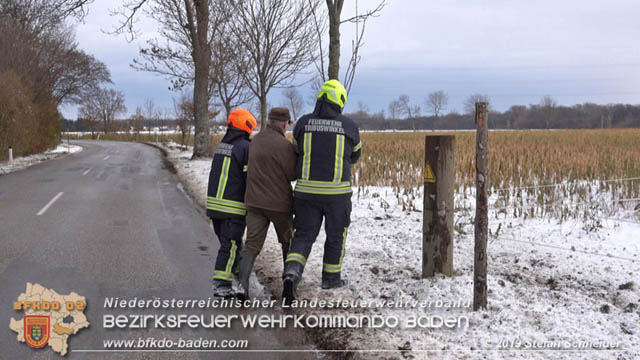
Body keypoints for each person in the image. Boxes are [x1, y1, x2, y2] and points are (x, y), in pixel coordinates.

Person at [282, 80, 362, 304]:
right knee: (336, 235)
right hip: (337, 195)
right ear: (340, 101)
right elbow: (356, 155)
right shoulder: (349, 126)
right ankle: (331, 278)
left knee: (304, 235)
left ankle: (292, 273)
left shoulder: (303, 123)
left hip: (306, 193)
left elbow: (297, 149)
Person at [237, 107, 297, 300]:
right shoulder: (284, 146)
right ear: (285, 124)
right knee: (288, 243)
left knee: (252, 245)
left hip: (254, 203)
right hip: (279, 205)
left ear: (269, 121)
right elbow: (293, 174)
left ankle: (242, 285)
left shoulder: (254, 142)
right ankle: (289, 284)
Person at [207, 108, 256, 298]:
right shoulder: (245, 147)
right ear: (246, 126)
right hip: (232, 207)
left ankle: (234, 274)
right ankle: (222, 284)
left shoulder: (222, 145)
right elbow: (248, 177)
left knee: (229, 243)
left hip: (215, 206)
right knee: (231, 245)